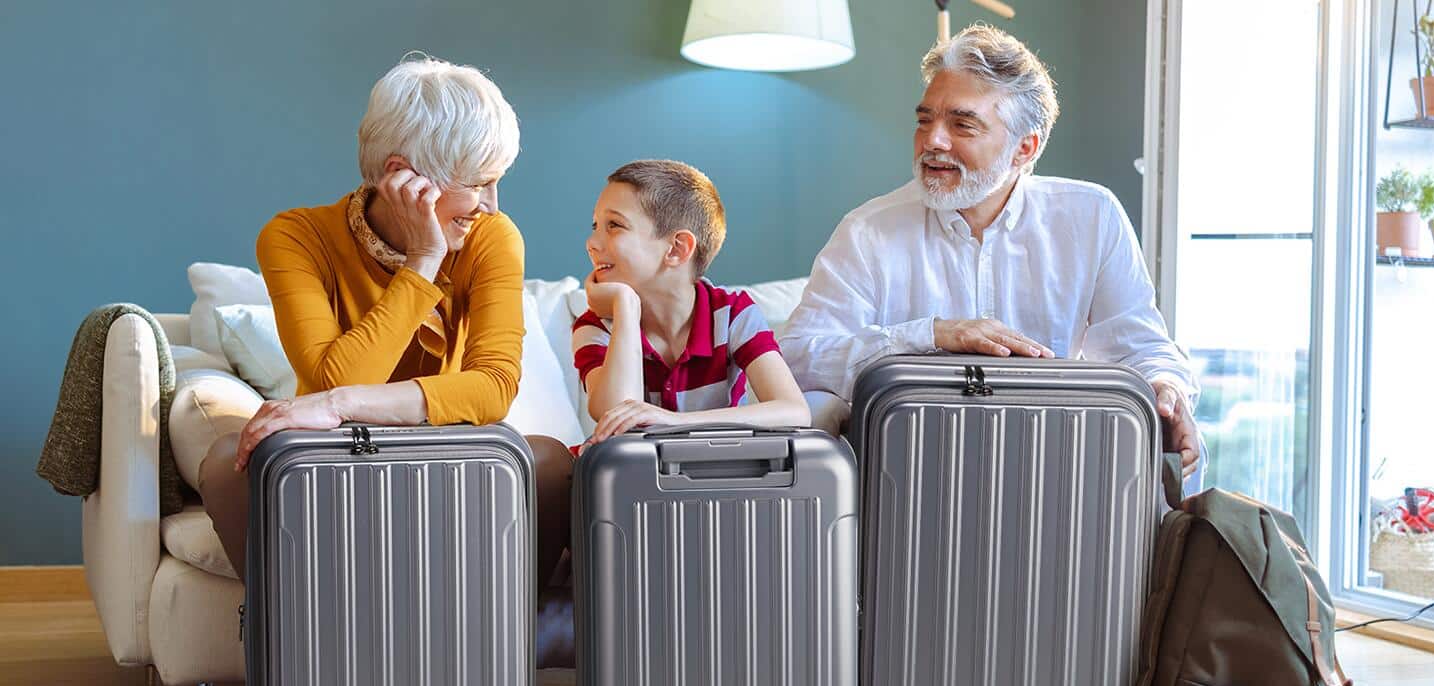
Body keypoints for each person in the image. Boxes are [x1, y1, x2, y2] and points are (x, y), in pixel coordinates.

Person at [196, 56, 573, 614]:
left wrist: (340, 403)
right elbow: (334, 374)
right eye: (478, 184)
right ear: (403, 175)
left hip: (447, 453)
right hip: (334, 458)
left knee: (546, 461)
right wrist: (422, 262)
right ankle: (300, 645)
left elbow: (492, 388)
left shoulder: (493, 237)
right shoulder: (296, 237)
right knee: (227, 462)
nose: (492, 205)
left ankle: (495, 645)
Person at [780, 24, 1204, 489]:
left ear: (1026, 147)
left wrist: (1168, 389)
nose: (932, 141)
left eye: (961, 124)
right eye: (925, 120)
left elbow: (1139, 346)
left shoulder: (1093, 216)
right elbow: (797, 358)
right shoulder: (868, 231)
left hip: (1052, 465)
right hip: (910, 473)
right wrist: (932, 334)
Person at [572, 160, 810, 442]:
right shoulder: (596, 326)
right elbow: (616, 418)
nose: (591, 242)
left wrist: (675, 422)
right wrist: (624, 307)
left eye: (614, 225)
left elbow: (794, 411)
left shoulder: (732, 313)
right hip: (632, 479)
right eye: (595, 225)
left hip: (712, 475)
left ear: (676, 248)